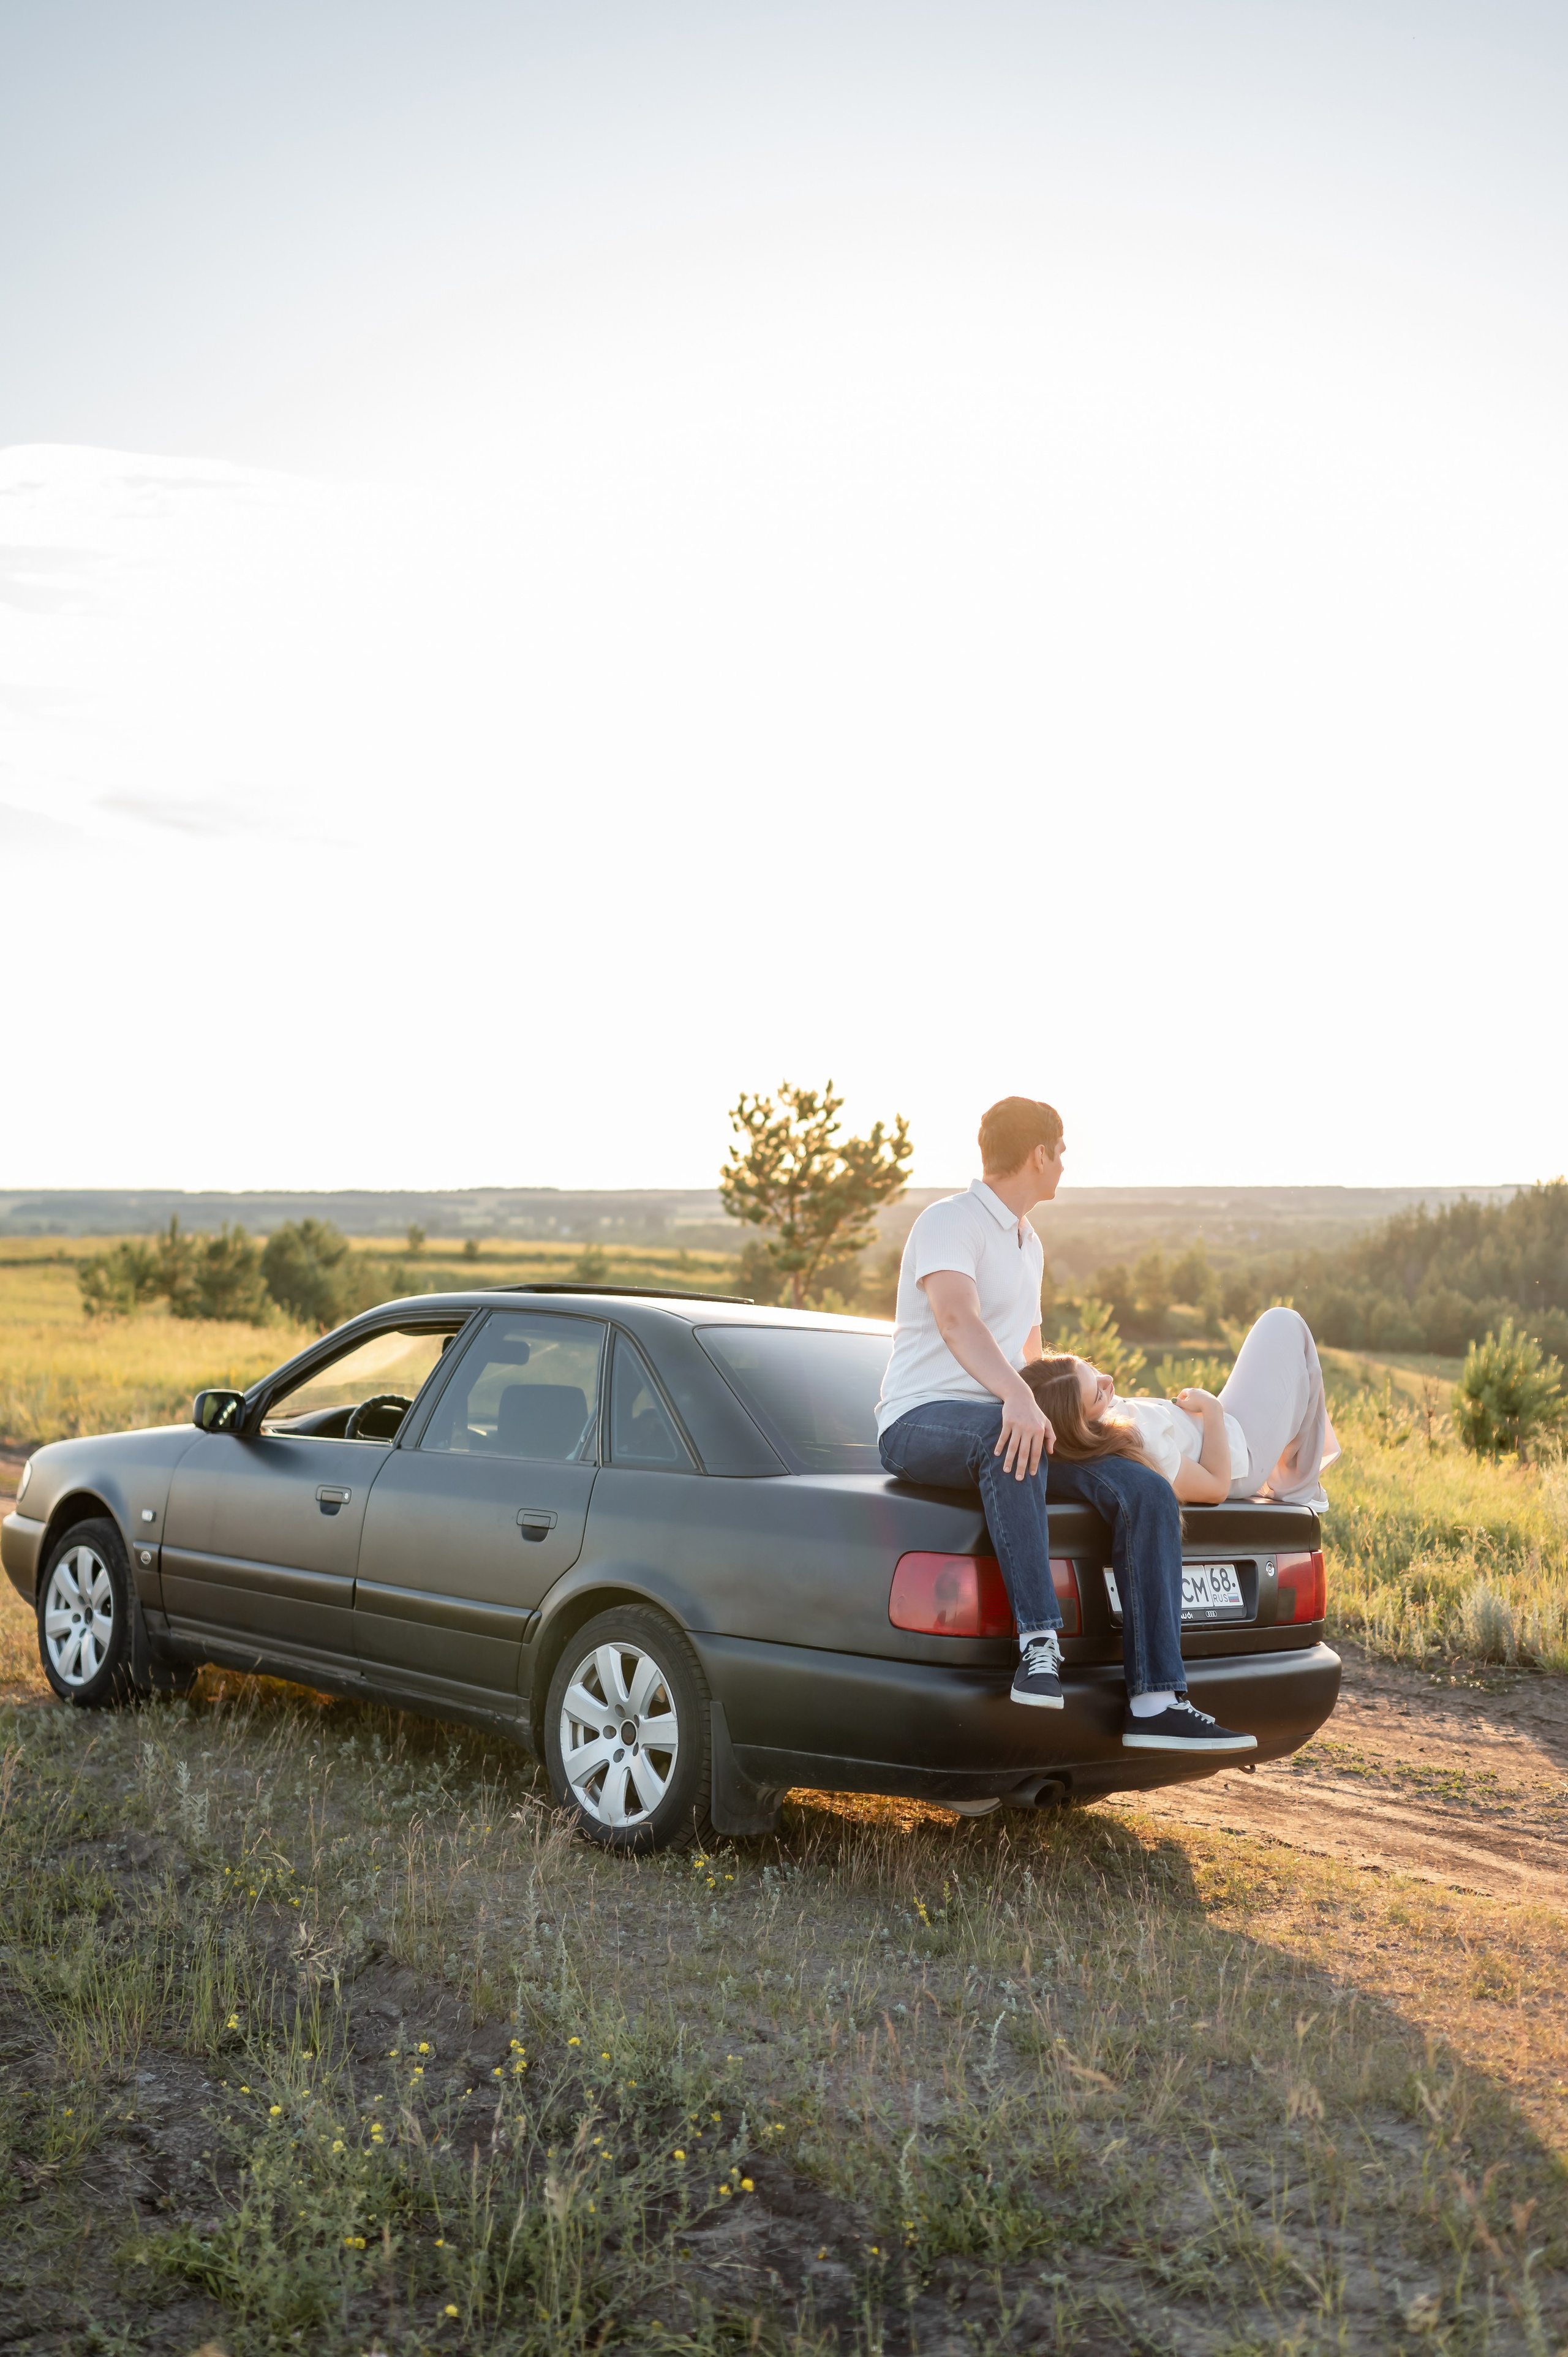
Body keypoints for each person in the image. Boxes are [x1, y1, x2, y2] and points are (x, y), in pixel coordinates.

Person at [876, 1097, 1256, 1755]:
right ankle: (1039, 1645)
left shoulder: (1028, 1242)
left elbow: (1031, 1357)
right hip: (922, 1419)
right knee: (1008, 1440)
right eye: (1061, 1149)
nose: (1065, 1163)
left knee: (1142, 1485)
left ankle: (1156, 1698)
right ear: (1038, 1154)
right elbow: (957, 1320)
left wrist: (1076, 1414)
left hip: (1010, 1418)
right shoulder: (949, 1221)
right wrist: (1016, 1402)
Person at [1020, 1306, 1340, 1510]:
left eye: (1090, 1368)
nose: (1108, 1379)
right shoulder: (1141, 1441)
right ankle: (1299, 1484)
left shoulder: (1083, 1408)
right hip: (1239, 1455)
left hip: (1224, 1428)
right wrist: (1212, 1409)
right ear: (1083, 1425)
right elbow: (1216, 1488)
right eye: (1099, 1395)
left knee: (1282, 1327)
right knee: (1287, 1326)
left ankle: (1300, 1477)